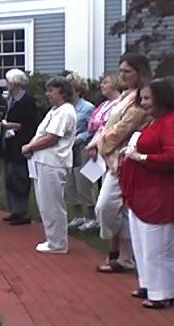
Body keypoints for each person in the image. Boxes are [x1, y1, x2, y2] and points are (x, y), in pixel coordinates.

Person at [87, 53, 152, 273]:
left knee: (106, 206)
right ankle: (123, 256)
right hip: (113, 160)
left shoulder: (140, 99)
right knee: (117, 209)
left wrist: (101, 143)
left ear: (139, 72)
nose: (122, 75)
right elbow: (107, 125)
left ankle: (120, 250)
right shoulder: (125, 95)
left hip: (126, 160)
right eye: (121, 70)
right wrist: (96, 142)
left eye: (127, 71)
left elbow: (122, 129)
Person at [120, 77, 174, 309]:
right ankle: (147, 283)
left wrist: (140, 158)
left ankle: (162, 292)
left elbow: (171, 157)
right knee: (141, 244)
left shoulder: (170, 123)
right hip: (140, 193)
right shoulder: (151, 123)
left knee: (157, 247)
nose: (143, 103)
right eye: (142, 98)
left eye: (148, 98)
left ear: (162, 98)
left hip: (158, 193)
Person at [22, 77, 77, 254]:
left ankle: (58, 243)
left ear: (62, 92)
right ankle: (52, 238)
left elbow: (52, 137)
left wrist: (30, 146)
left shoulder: (66, 111)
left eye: (51, 91)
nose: (48, 94)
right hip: (43, 161)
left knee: (52, 203)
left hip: (53, 162)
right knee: (45, 203)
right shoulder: (55, 110)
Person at [1, 69, 39, 226]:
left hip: (21, 142)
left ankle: (22, 211)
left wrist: (14, 125)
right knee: (10, 175)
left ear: (15, 83)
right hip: (9, 142)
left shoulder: (27, 101)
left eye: (8, 82)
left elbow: (31, 124)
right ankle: (14, 210)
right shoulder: (11, 99)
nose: (7, 85)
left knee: (20, 177)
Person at [65, 73, 98, 231]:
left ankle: (92, 217)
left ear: (77, 90)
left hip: (83, 148)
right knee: (70, 184)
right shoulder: (65, 108)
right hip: (67, 150)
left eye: (69, 89)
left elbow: (94, 130)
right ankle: (77, 215)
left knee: (84, 183)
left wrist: (79, 137)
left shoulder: (88, 107)